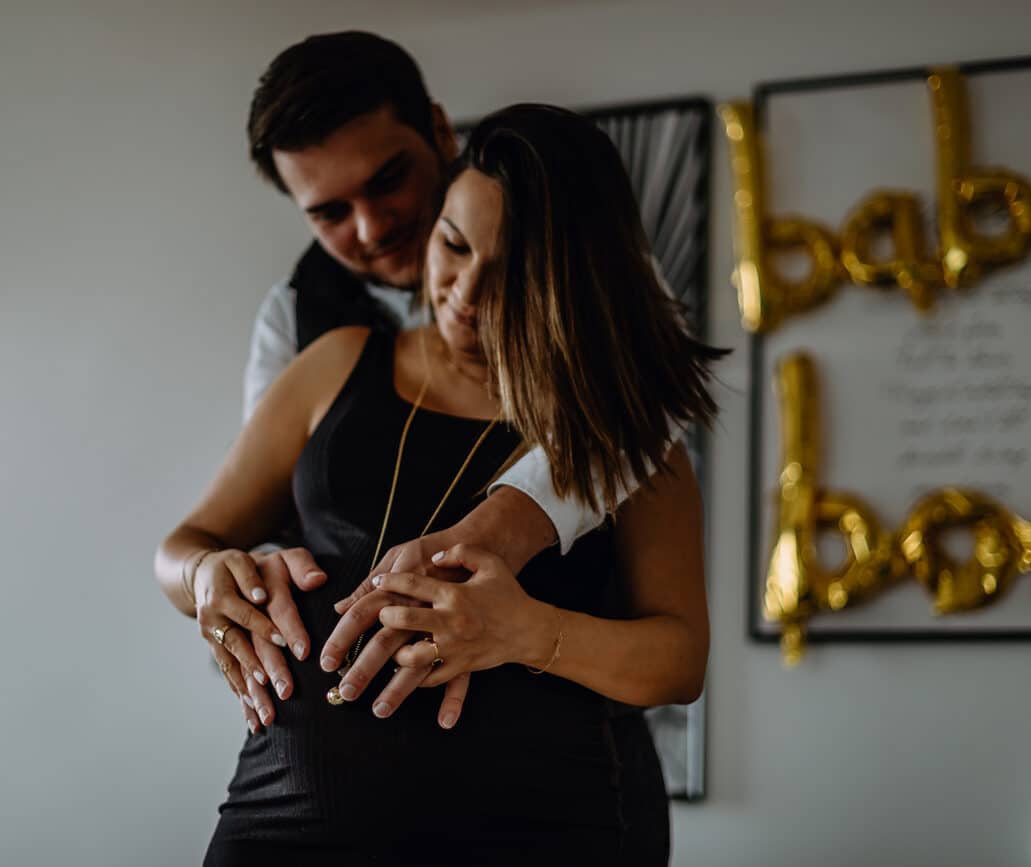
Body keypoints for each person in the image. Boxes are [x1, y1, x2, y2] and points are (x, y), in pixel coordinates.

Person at [154, 31, 684, 862]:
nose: (370, 227)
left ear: (438, 131)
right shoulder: (302, 328)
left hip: (557, 800)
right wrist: (215, 580)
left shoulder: (608, 309)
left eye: (389, 180)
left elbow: (643, 413)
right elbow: (257, 532)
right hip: (297, 801)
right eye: (329, 211)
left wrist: (492, 553)